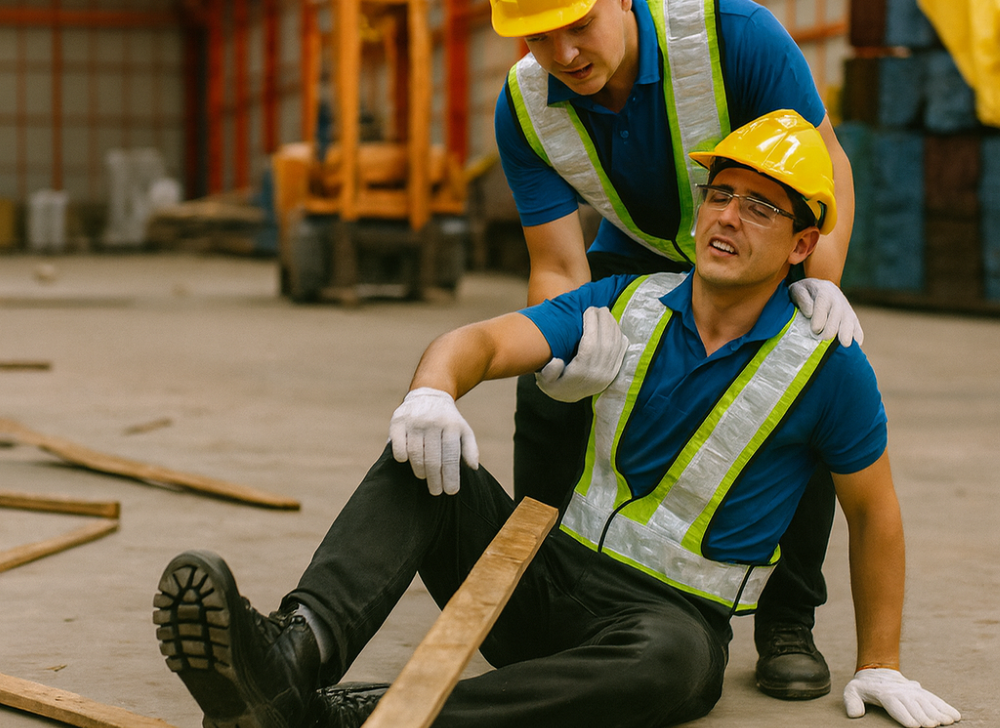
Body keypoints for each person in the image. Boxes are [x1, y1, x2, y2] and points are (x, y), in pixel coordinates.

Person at [153, 112, 960, 728]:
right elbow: (479, 340)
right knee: (424, 455)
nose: (727, 217)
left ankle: (364, 714)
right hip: (541, 580)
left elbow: (874, 513)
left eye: (759, 207)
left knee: (675, 667)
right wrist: (433, 389)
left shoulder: (828, 364)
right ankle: (288, 660)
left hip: (666, 620)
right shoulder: (627, 302)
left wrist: (880, 662)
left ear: (801, 243)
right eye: (719, 194)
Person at [491, 0, 861, 698]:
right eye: (537, 37)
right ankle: (535, 581)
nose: (561, 53)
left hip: (753, 243)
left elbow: (825, 166)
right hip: (636, 249)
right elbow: (558, 264)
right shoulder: (524, 105)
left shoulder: (734, 34)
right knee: (545, 382)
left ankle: (789, 617)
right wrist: (557, 357)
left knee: (806, 377)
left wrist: (819, 284)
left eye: (576, 24)